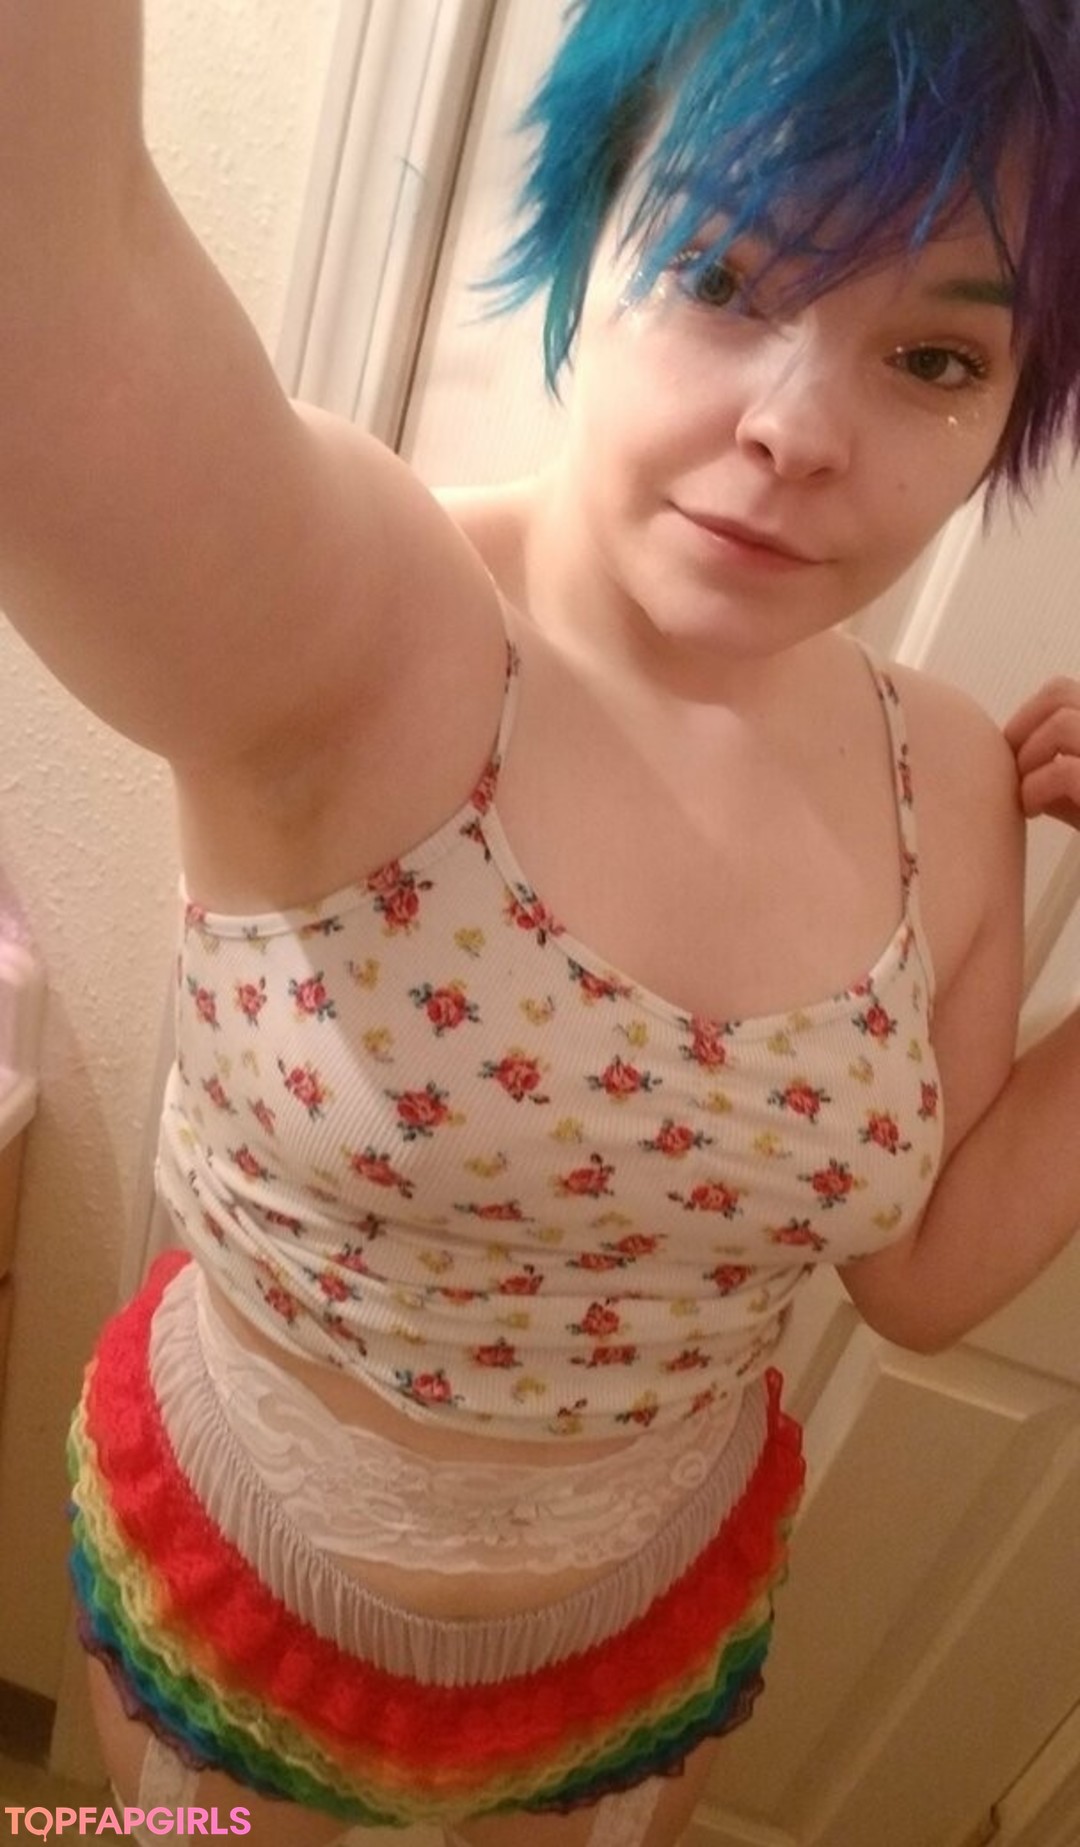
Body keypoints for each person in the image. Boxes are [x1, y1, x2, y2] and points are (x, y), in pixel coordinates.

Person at [3, 2, 1080, 1843]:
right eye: (721, 274)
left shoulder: (953, 778)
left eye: (933, 358)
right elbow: (46, 295)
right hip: (248, 1610)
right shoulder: (360, 632)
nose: (797, 430)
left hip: (649, 1642)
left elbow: (921, 1276)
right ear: (593, 235)